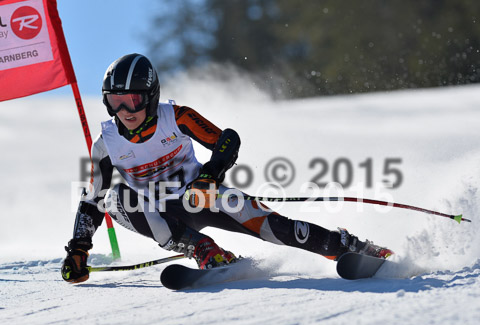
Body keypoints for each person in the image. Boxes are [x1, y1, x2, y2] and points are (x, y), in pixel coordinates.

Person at [62, 53, 392, 283]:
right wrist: (78, 250)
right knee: (115, 196)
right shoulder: (106, 143)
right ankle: (203, 250)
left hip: (199, 197)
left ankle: (345, 247)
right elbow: (94, 198)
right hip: (155, 213)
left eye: (131, 100)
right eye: (115, 101)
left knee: (273, 226)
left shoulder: (175, 117)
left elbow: (226, 140)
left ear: (149, 96)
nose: (124, 110)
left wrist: (208, 176)